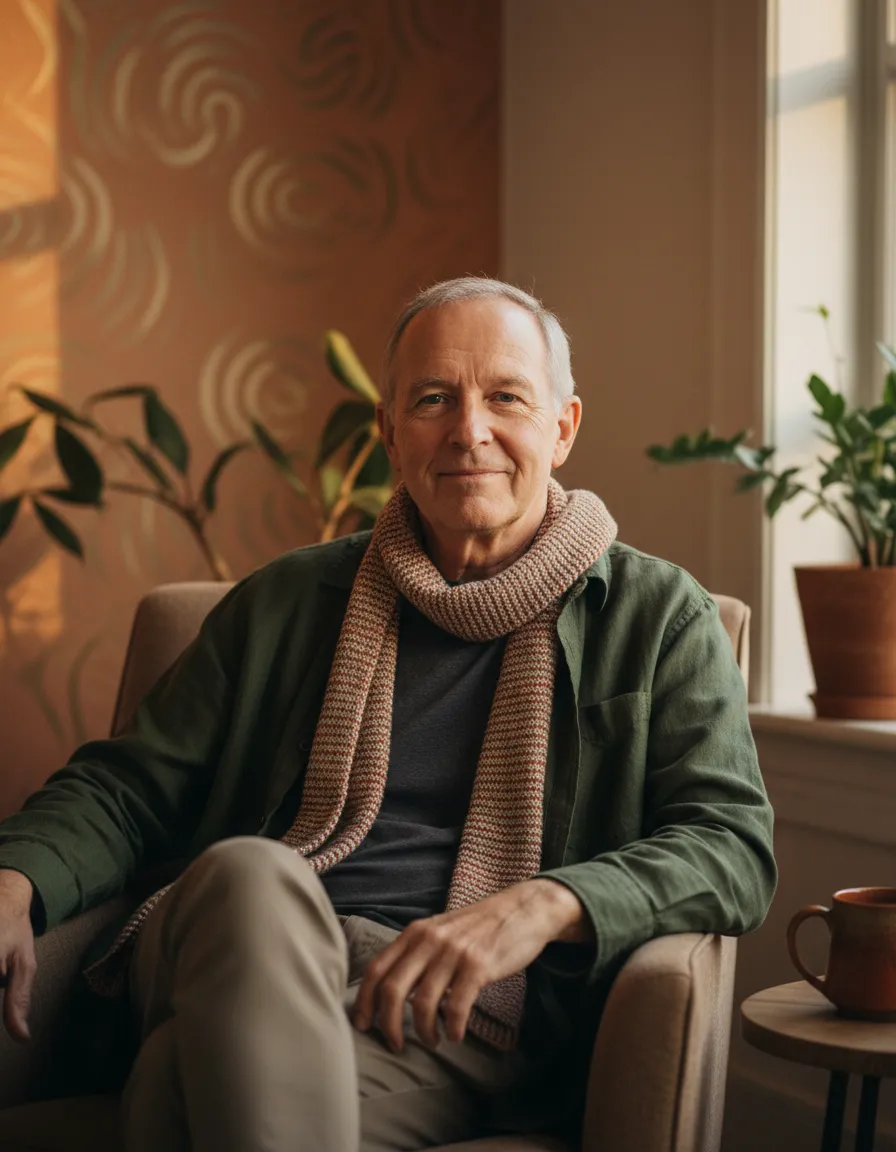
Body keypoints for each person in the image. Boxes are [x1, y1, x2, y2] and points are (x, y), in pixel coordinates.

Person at [0, 277, 776, 1151]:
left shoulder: (657, 617)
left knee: (181, 1089)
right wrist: (18, 877)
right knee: (253, 876)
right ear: (389, 432)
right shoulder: (287, 602)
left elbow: (731, 844)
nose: (468, 431)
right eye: (433, 399)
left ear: (562, 429)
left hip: (457, 1019)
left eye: (506, 398)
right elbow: (129, 787)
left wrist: (543, 904)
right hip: (235, 946)